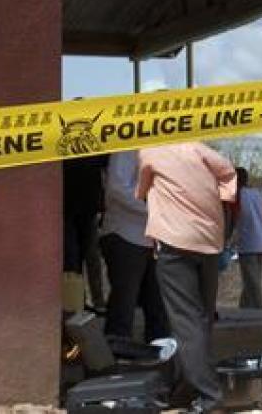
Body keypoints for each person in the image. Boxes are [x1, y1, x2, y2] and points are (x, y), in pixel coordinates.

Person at [137, 142, 237, 414]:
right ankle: (186, 388)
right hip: (209, 241)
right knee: (201, 319)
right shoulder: (199, 149)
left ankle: (210, 396)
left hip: (174, 242)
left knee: (186, 321)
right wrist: (222, 196)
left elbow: (140, 192)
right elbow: (228, 171)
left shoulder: (150, 151)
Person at [99, 150, 169, 343]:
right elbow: (116, 188)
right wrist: (152, 210)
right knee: (124, 306)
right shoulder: (129, 147)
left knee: (159, 308)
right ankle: (117, 362)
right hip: (125, 235)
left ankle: (160, 360)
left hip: (155, 240)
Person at [63, 152, 108, 312]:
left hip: (83, 204)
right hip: (71, 205)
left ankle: (90, 301)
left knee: (85, 255)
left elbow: (106, 167)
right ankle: (79, 301)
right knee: (76, 256)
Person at [232, 167, 262, 309]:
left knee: (253, 284)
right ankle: (243, 309)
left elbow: (233, 219)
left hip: (248, 244)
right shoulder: (257, 194)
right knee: (252, 280)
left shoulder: (237, 195)